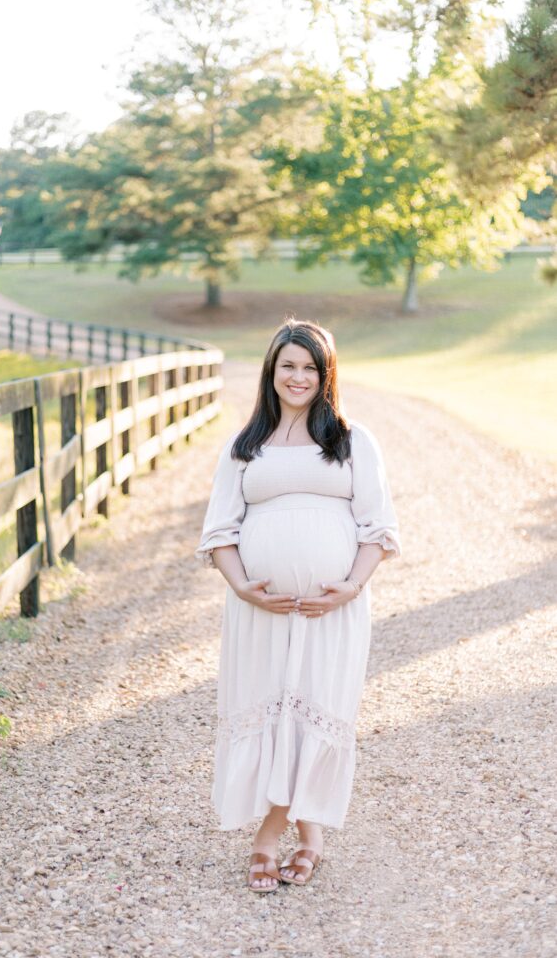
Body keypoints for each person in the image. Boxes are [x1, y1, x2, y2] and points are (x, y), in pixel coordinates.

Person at [195, 319, 401, 893]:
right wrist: (240, 586)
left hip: (331, 610)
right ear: (272, 370)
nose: (299, 376)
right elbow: (219, 531)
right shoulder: (245, 445)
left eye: (311, 367)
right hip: (258, 611)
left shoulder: (353, 439)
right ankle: (308, 841)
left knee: (316, 708)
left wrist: (352, 586)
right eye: (289, 365)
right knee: (273, 709)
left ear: (326, 374)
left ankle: (269, 837)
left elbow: (378, 528)